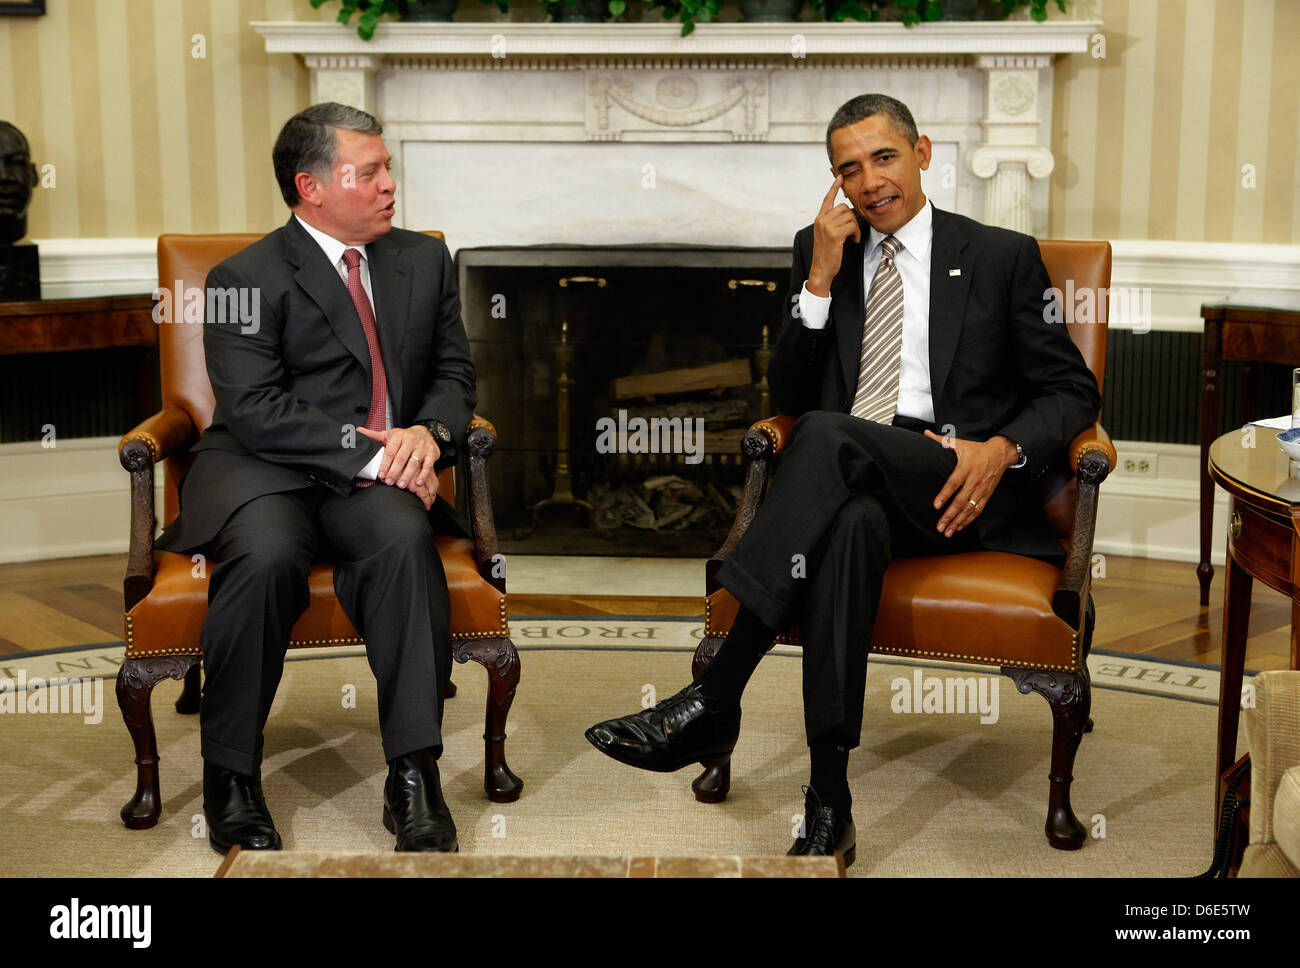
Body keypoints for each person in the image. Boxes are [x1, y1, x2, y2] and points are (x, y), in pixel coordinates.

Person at [585, 93, 1101, 866]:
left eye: (883, 158)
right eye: (848, 169)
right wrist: (820, 282)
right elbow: (790, 398)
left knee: (825, 437)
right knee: (847, 523)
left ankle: (713, 698)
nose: (869, 182)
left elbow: (1071, 392)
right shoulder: (820, 248)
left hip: (956, 481)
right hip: (853, 481)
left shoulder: (999, 254)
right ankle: (830, 799)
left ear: (923, 152)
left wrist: (999, 451)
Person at [157, 102, 477, 854]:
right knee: (266, 559)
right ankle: (231, 775)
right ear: (312, 187)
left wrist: (427, 438)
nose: (390, 185)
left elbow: (455, 376)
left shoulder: (421, 261)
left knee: (404, 545)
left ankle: (413, 776)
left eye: (388, 167)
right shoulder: (245, 276)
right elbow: (256, 408)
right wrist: (380, 454)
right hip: (264, 473)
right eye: (369, 172)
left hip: (376, 484)